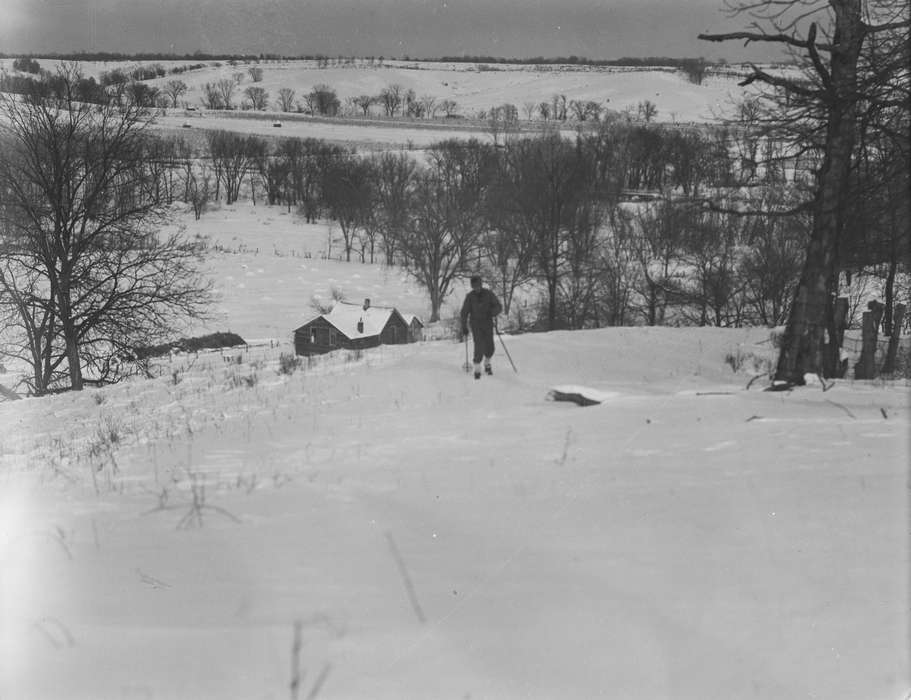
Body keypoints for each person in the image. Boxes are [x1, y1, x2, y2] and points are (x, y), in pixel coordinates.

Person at [460, 275, 502, 379]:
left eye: (478, 286)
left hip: (487, 323)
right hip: (476, 324)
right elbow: (464, 312)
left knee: (490, 347)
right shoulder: (470, 297)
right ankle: (477, 368)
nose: (476, 288)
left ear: (481, 284)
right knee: (479, 346)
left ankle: (487, 364)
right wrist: (464, 326)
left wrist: (492, 312)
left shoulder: (488, 294)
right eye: (474, 287)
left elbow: (498, 306)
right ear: (472, 286)